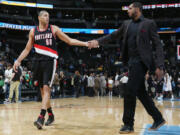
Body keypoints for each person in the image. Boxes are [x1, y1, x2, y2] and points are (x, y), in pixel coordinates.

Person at [88, 2, 165, 134]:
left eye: (129, 8)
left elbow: (158, 45)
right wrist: (98, 42)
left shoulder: (148, 23)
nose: (127, 11)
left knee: (129, 91)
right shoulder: (126, 24)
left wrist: (160, 65)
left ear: (137, 9)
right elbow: (113, 36)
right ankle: (158, 118)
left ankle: (128, 124)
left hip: (142, 62)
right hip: (131, 62)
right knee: (141, 92)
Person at [13, 10, 89, 129]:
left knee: (47, 89)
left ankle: (41, 117)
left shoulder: (54, 29)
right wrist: (17, 61)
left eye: (48, 15)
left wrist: (85, 44)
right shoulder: (33, 31)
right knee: (43, 92)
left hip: (50, 61)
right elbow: (27, 49)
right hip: (38, 62)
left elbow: (69, 41)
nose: (47, 17)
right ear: (39, 18)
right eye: (45, 15)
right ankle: (51, 114)